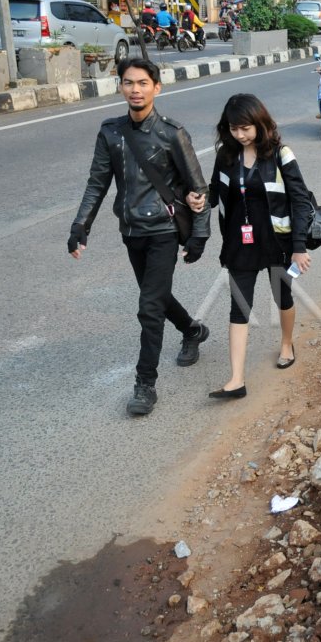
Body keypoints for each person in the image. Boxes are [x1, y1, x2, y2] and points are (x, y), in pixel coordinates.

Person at [68, 58, 211, 416]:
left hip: (163, 231)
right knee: (157, 296)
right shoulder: (110, 132)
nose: (136, 89)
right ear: (121, 87)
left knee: (148, 307)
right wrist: (80, 225)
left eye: (143, 83)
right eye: (129, 83)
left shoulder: (171, 133)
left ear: (156, 88)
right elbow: (97, 183)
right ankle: (192, 330)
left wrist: (199, 237)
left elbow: (198, 188)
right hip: (131, 230)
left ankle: (145, 384)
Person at [206, 94, 315, 399]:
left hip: (277, 242)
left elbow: (300, 200)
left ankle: (285, 343)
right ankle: (236, 379)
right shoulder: (226, 156)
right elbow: (214, 193)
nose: (239, 135)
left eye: (245, 128)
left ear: (260, 124)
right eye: (233, 129)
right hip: (240, 244)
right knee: (239, 306)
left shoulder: (280, 154)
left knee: (283, 296)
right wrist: (196, 197)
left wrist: (299, 246)